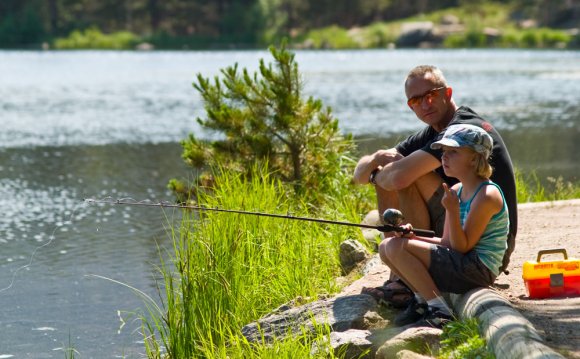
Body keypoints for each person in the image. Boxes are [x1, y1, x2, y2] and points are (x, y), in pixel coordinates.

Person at [354, 65, 517, 312]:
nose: (424, 105)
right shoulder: (432, 135)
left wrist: (379, 177)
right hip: (456, 233)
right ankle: (406, 277)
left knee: (405, 175)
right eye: (415, 101)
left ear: (447, 93)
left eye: (430, 95)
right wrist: (377, 158)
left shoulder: (463, 131)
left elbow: (398, 179)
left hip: (483, 247)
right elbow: (359, 176)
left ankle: (417, 291)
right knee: (397, 178)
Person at [379, 123, 509, 328]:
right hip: (462, 262)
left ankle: (439, 310)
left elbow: (461, 247)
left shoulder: (487, 195)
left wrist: (452, 211)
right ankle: (421, 302)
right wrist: (412, 237)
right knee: (388, 246)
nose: (444, 157)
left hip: (478, 269)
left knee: (395, 247)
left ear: (475, 158)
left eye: (454, 152)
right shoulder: (457, 190)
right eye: (444, 151)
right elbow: (447, 242)